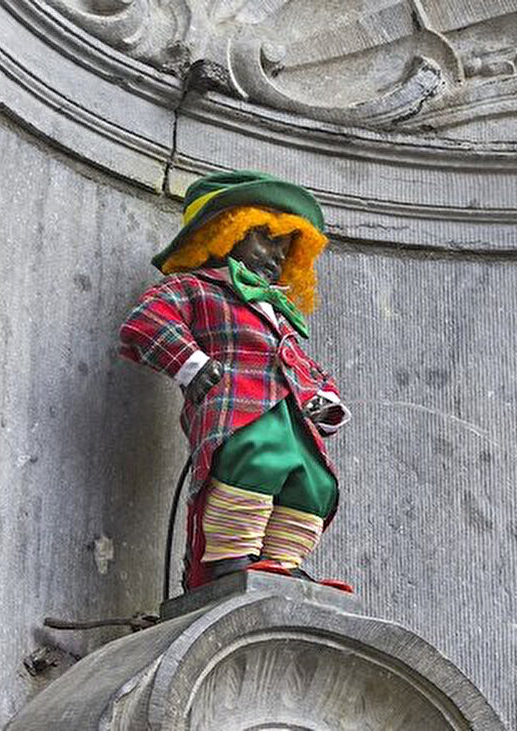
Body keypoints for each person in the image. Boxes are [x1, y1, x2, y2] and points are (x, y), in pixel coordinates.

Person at [118, 170, 351, 592]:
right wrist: (190, 363)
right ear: (224, 233)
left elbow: (300, 365)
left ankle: (282, 561)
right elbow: (146, 321)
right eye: (264, 236)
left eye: (284, 247)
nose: (276, 256)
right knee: (255, 460)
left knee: (314, 481)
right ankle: (231, 558)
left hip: (289, 413)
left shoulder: (277, 312)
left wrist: (322, 399)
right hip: (236, 413)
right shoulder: (195, 287)